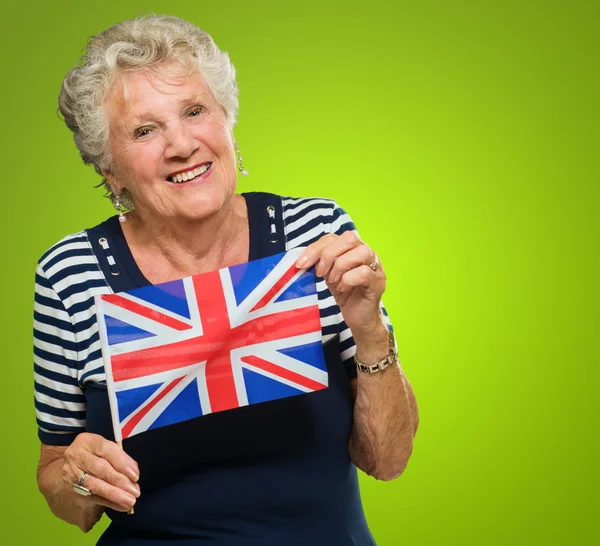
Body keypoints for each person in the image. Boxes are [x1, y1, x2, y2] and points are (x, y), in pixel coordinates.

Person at [34, 14, 419, 545]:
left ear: (227, 122)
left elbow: (387, 459)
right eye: (145, 130)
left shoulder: (313, 235)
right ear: (110, 171)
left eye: (194, 111)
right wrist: (76, 477)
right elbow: (60, 483)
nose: (182, 144)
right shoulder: (72, 274)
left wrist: (369, 326)